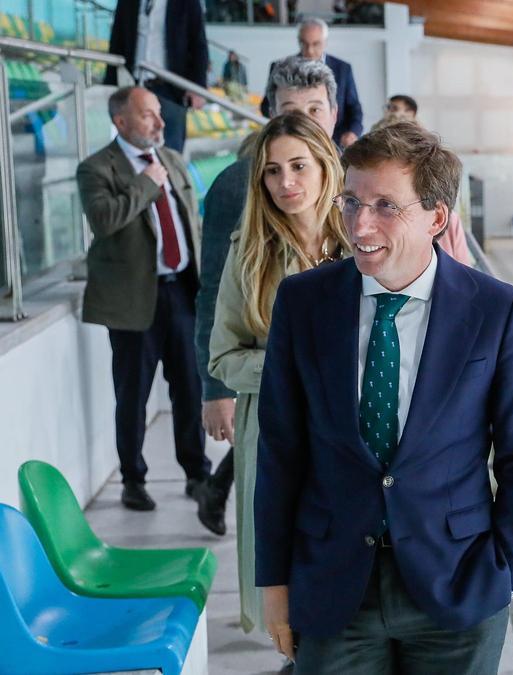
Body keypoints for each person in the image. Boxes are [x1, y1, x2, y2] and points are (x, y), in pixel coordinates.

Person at [255, 121, 513, 672]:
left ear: (436, 217)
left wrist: (510, 568)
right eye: (350, 202)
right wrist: (273, 584)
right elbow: (280, 455)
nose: (359, 223)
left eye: (385, 206)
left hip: (458, 586)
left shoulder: (495, 309)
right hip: (333, 583)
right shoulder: (303, 303)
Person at [208, 112, 349, 634]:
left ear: (325, 166)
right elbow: (223, 357)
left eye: (298, 166)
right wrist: (293, 364)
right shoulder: (247, 254)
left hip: (354, 431)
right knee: (286, 572)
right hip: (276, 429)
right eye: (271, 171)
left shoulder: (361, 243)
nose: (285, 183)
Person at [193, 55, 342, 536]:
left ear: (332, 116)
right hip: (280, 422)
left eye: (315, 109)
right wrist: (218, 392)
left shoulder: (364, 221)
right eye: (288, 107)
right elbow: (215, 293)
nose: (286, 182)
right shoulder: (237, 191)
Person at [77, 86, 210, 511]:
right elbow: (103, 220)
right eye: (148, 114)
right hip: (134, 301)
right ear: (120, 122)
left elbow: (193, 222)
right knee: (132, 395)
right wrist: (144, 184)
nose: (160, 122)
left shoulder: (172, 159)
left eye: (158, 113)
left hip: (183, 293)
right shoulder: (97, 168)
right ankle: (133, 480)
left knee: (189, 389)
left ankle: (197, 474)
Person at [105, 0, 209, 153]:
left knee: (171, 151)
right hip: (134, 86)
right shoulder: (128, 3)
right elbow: (117, 40)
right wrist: (110, 84)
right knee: (133, 149)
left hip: (170, 88)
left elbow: (198, 43)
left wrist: (198, 87)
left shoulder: (187, 3)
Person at [260, 18, 362, 148]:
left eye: (316, 44)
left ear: (325, 42)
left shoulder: (343, 68)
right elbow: (265, 106)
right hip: (291, 141)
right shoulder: (279, 68)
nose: (310, 50)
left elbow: (354, 107)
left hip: (334, 142)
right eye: (304, 44)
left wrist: (352, 132)